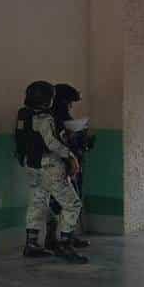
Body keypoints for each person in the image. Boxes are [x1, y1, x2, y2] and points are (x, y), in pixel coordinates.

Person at [16, 80, 88, 263]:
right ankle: (65, 245)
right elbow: (52, 143)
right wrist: (70, 155)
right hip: (49, 166)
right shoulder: (44, 118)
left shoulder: (23, 115)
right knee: (73, 204)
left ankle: (31, 244)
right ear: (47, 99)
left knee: (37, 202)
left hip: (31, 165)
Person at [49, 83, 93, 249]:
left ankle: (60, 237)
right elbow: (61, 143)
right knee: (68, 202)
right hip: (64, 166)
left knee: (60, 202)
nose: (71, 106)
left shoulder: (57, 117)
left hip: (67, 164)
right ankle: (65, 239)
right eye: (69, 102)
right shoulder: (54, 119)